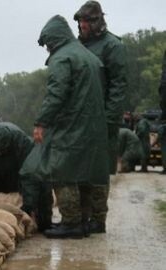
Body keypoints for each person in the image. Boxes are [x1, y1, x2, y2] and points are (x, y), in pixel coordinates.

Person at [33, 15, 109, 239]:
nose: (47, 48)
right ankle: (88, 221)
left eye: (47, 44)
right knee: (86, 171)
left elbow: (56, 93)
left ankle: (71, 222)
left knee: (61, 169)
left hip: (72, 123)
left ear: (54, 39)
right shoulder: (89, 56)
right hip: (94, 124)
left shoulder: (62, 57)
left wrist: (41, 121)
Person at [74, 1, 127, 233]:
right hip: (79, 120)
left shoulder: (113, 46)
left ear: (97, 21)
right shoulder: (76, 46)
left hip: (102, 119)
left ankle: (98, 218)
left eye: (86, 21)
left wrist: (107, 121)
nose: (82, 25)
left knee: (98, 171)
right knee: (78, 169)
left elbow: (118, 86)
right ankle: (82, 216)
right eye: (80, 21)